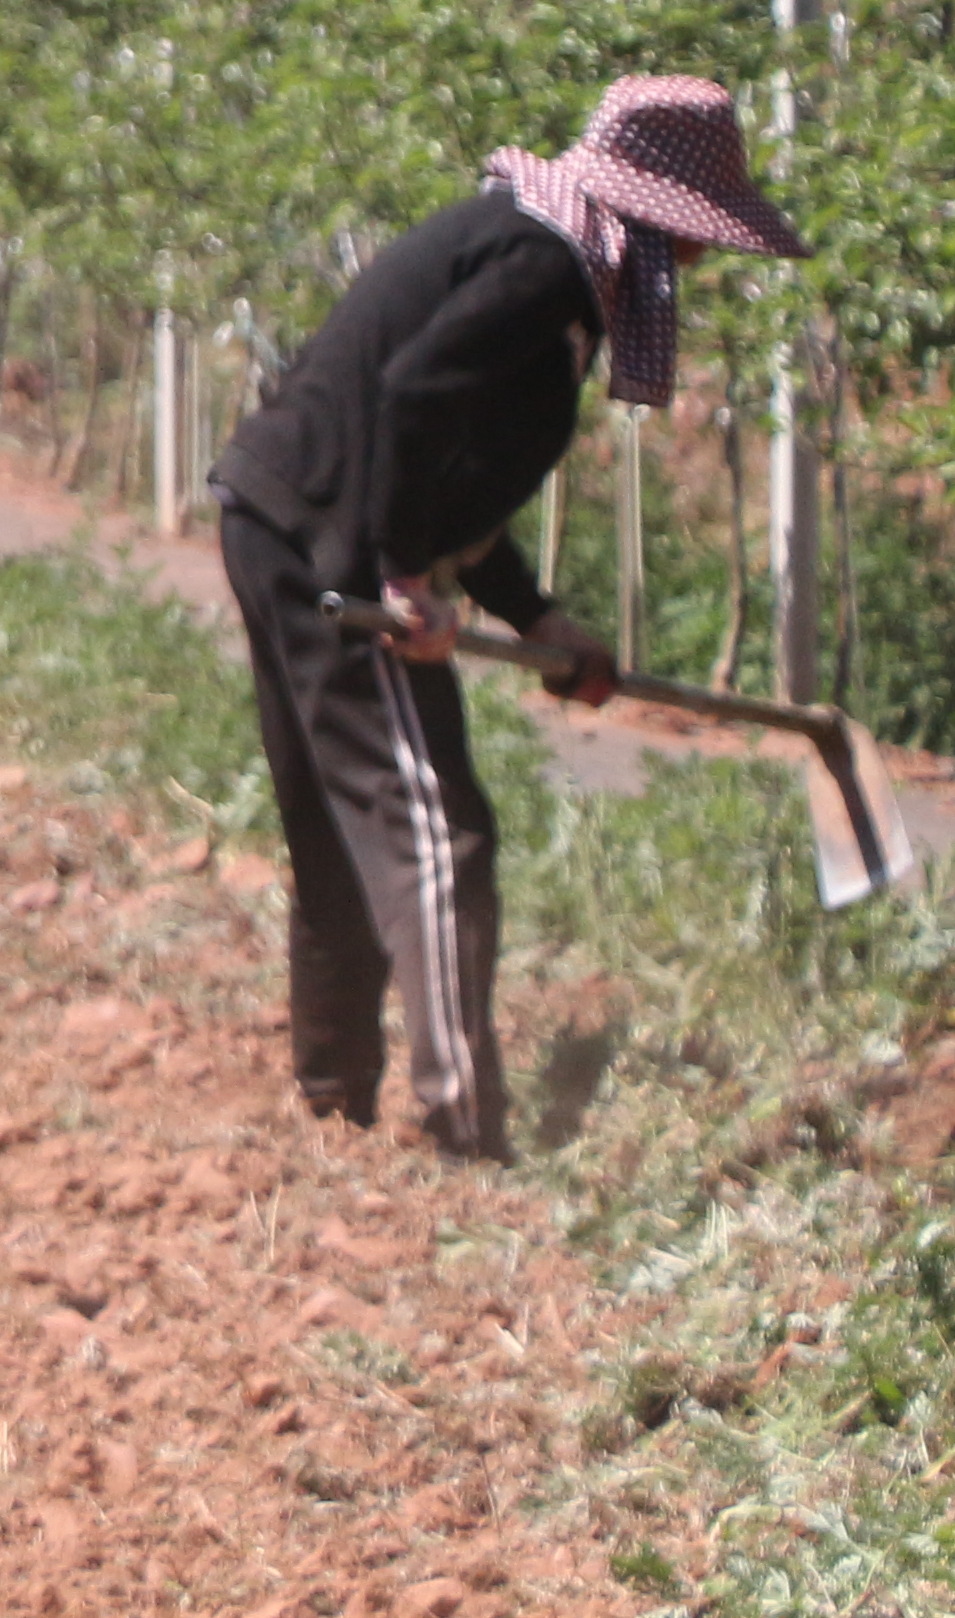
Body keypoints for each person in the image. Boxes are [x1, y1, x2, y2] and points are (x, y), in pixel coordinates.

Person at [213, 74, 800, 1160]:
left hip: (283, 519)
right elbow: (412, 398)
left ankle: (333, 1108)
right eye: (701, 237)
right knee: (442, 836)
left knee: (349, 834)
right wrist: (395, 573)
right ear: (655, 215)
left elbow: (451, 460)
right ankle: (466, 1134)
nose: (707, 260)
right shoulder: (545, 268)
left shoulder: (534, 248)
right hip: (333, 548)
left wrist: (535, 617)